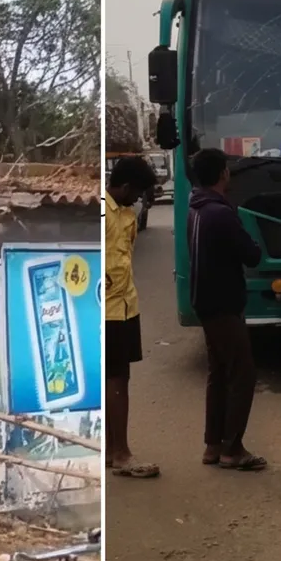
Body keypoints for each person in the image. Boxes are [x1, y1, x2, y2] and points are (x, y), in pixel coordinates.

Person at [188, 147, 267, 471]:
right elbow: (252, 255)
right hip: (223, 305)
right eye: (228, 169)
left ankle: (213, 445)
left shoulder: (197, 207)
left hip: (206, 303)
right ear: (222, 174)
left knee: (218, 373)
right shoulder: (221, 213)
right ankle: (232, 449)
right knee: (242, 374)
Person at [104, 155, 160, 479]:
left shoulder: (126, 213)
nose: (139, 198)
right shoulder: (103, 212)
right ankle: (122, 454)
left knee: (119, 379)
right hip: (108, 311)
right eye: (137, 192)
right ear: (124, 186)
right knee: (117, 381)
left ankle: (114, 451)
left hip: (126, 307)